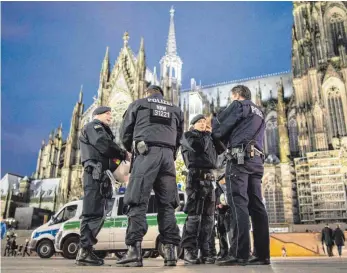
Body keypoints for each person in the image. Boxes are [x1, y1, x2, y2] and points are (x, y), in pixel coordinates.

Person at [117, 85, 184, 267]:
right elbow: (180, 136)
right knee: (168, 204)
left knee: (137, 201)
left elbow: (125, 132)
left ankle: (134, 251)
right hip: (168, 157)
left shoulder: (139, 104)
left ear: (147, 93)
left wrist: (131, 148)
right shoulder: (175, 109)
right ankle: (170, 252)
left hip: (146, 153)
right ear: (161, 94)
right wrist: (171, 153)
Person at [212, 85, 270, 266]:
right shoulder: (259, 112)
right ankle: (262, 254)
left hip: (239, 158)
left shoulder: (238, 105)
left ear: (236, 96)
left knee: (238, 204)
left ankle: (239, 253)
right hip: (257, 160)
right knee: (257, 206)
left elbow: (219, 127)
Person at [75, 106, 130, 266]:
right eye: (107, 114)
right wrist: (121, 153)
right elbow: (102, 144)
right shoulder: (93, 127)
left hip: (102, 175)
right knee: (92, 211)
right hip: (94, 174)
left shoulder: (102, 130)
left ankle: (87, 249)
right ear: (97, 115)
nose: (110, 117)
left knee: (99, 212)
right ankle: (84, 251)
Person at [179, 114, 225, 265]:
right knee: (194, 217)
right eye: (199, 122)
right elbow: (198, 149)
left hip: (210, 181)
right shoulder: (188, 136)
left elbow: (221, 149)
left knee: (208, 219)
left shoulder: (207, 137)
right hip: (196, 180)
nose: (203, 124)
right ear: (192, 125)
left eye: (204, 122)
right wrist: (206, 135)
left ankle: (206, 251)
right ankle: (189, 251)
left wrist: (213, 135)